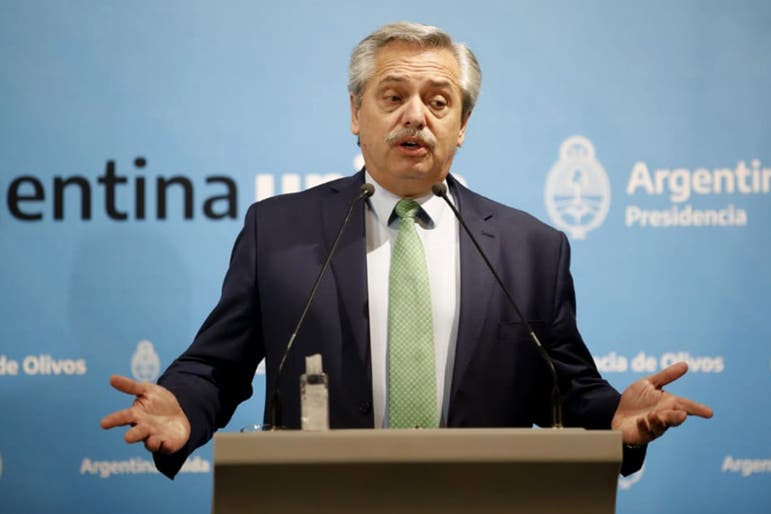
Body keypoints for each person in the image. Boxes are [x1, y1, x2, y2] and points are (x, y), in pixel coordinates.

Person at [101, 21, 713, 479]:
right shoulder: (279, 230)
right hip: (320, 498)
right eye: (393, 97)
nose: (415, 116)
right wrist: (182, 406)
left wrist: (616, 420)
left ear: (462, 124)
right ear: (355, 113)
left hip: (485, 499)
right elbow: (218, 365)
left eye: (438, 101)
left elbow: (568, 389)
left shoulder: (531, 249)